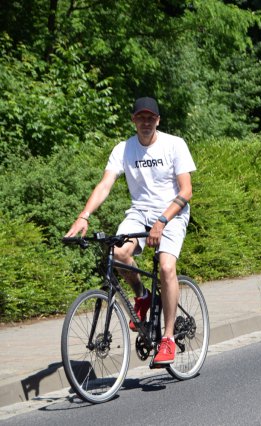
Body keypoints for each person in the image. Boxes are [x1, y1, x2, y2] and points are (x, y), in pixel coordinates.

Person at [65, 97, 196, 364]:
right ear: (133, 120)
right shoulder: (124, 149)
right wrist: (83, 216)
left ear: (158, 120)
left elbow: (186, 191)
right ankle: (142, 295)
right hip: (139, 213)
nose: (146, 122)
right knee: (118, 253)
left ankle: (168, 339)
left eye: (151, 118)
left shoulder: (174, 145)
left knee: (166, 267)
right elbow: (104, 186)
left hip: (172, 213)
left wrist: (161, 222)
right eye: (141, 118)